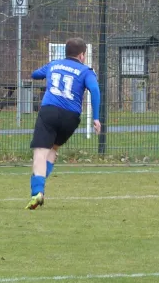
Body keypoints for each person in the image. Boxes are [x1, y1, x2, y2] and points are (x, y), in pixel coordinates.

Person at [25, 37, 102, 210]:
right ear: (82, 55)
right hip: (71, 117)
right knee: (53, 148)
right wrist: (96, 117)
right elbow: (95, 90)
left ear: (66, 52)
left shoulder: (54, 64)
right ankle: (40, 188)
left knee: (40, 152)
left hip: (49, 111)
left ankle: (37, 192)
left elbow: (35, 74)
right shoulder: (86, 71)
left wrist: (49, 71)